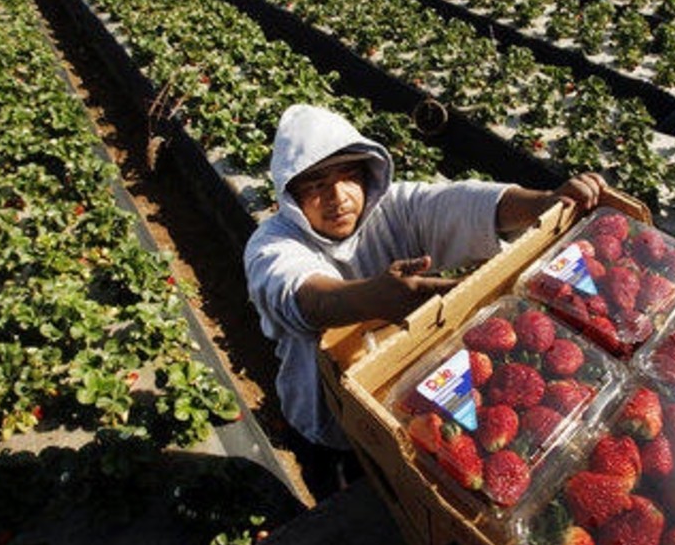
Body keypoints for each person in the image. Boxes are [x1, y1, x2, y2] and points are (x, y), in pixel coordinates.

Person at [243, 104, 607, 450]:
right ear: (290, 195)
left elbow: (458, 204)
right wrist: (373, 298)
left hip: (409, 401)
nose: (338, 198)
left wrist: (543, 203)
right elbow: (301, 296)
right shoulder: (272, 246)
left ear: (366, 175)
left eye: (348, 178)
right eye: (316, 186)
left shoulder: (393, 208)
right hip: (328, 420)